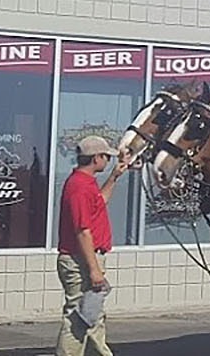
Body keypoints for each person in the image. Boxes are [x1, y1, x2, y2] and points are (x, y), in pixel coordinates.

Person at [56, 134, 132, 356]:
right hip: (81, 261)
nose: (107, 161)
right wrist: (94, 270)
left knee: (93, 317)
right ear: (96, 158)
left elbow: (101, 201)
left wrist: (114, 177)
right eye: (106, 157)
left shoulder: (86, 183)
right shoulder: (79, 187)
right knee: (78, 318)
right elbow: (82, 231)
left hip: (87, 259)